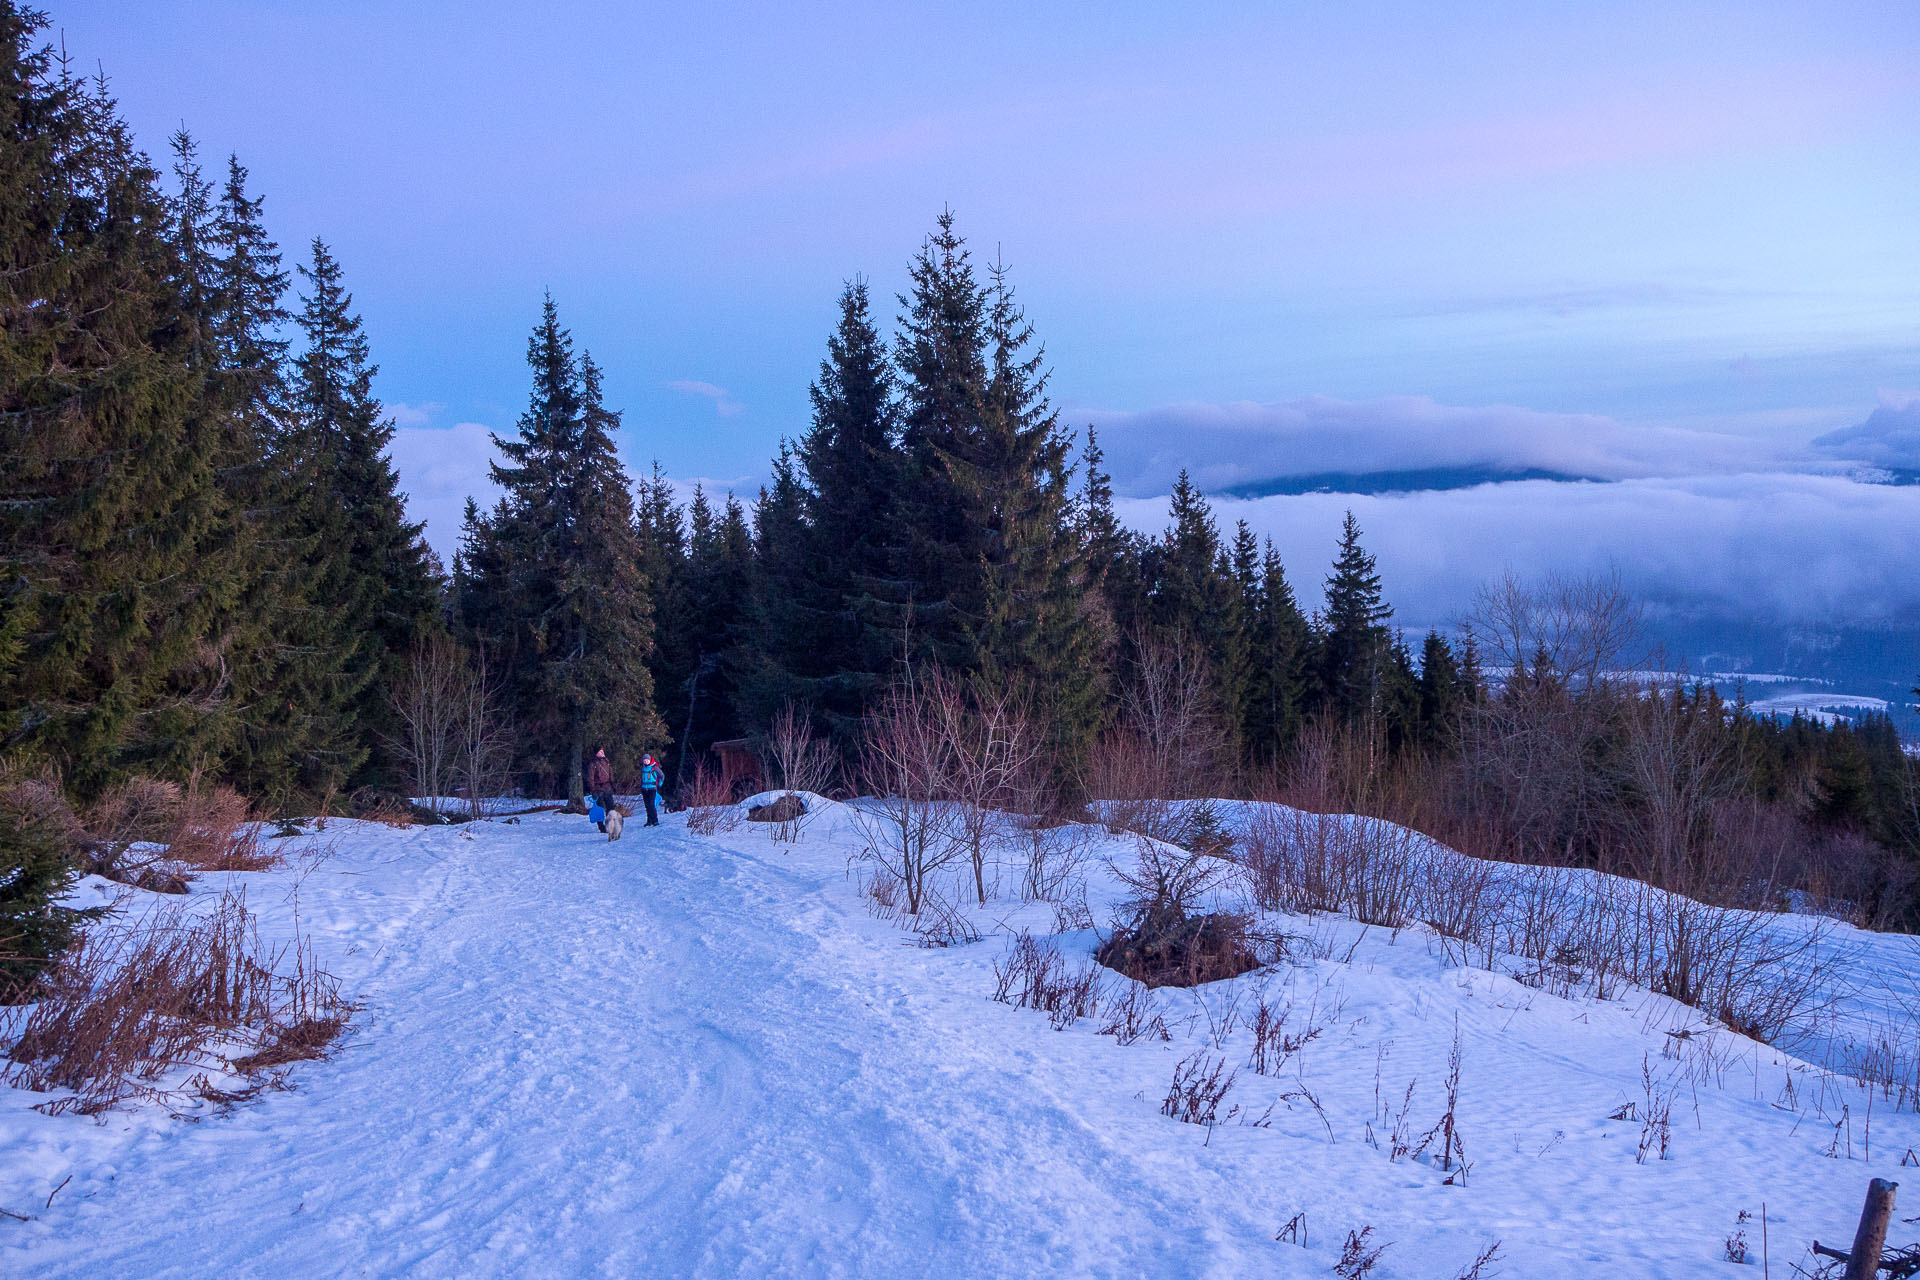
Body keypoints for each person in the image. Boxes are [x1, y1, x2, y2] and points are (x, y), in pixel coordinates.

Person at [588, 748, 615, 832]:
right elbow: (590, 778)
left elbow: (611, 774)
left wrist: (612, 784)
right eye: (600, 751)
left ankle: (610, 824)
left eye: (602, 751)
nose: (602, 752)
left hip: (607, 787)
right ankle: (601, 826)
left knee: (610, 807)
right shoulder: (593, 764)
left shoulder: (607, 762)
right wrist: (593, 789)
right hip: (598, 789)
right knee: (599, 809)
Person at [638, 753, 664, 827]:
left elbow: (662, 775)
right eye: (644, 760)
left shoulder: (654, 768)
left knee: (652, 805)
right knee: (647, 806)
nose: (645, 761)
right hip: (644, 789)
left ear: (650, 760)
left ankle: (655, 820)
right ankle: (649, 821)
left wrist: (660, 784)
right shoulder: (643, 768)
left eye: (647, 760)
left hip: (652, 789)